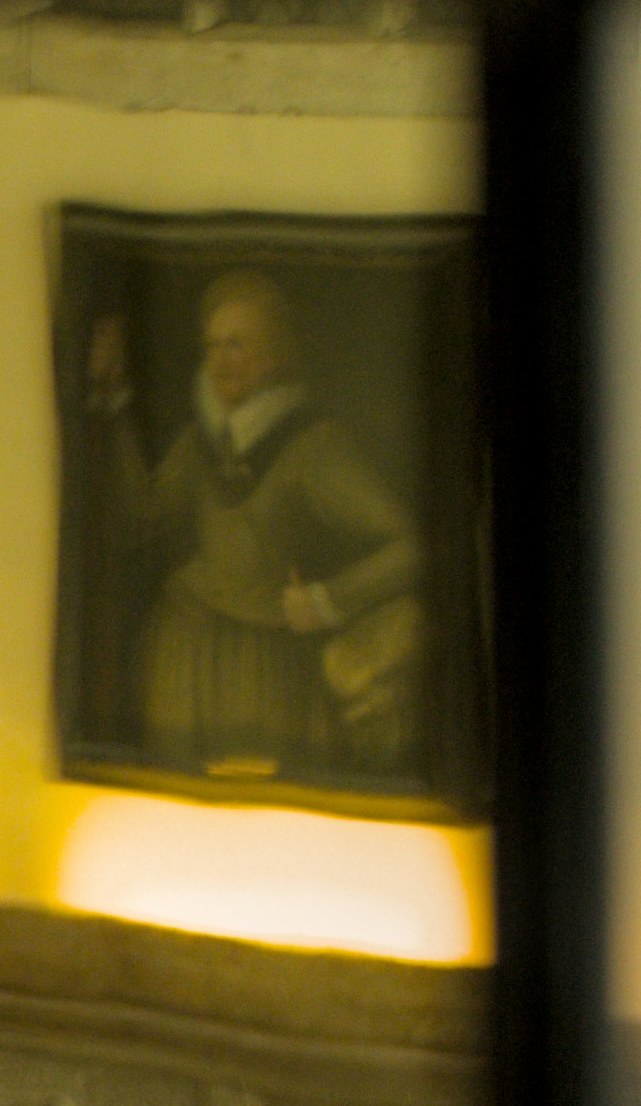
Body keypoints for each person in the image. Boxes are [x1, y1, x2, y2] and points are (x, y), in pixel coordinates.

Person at [79, 267, 426, 783]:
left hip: (265, 666)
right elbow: (143, 521)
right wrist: (118, 403)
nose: (221, 360)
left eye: (237, 344)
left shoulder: (313, 447)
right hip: (183, 652)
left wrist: (327, 600)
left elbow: (409, 546)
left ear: (273, 354)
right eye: (213, 345)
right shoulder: (199, 445)